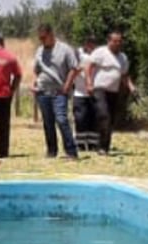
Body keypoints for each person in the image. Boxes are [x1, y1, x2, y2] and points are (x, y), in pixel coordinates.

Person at [85, 30, 136, 156]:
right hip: (99, 89)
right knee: (104, 115)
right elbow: (88, 67)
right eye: (114, 41)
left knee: (110, 120)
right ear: (109, 41)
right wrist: (89, 83)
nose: (117, 44)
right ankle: (101, 147)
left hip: (113, 92)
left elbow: (124, 75)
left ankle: (104, 146)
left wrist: (131, 87)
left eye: (119, 41)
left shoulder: (123, 57)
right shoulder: (100, 52)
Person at [33, 24, 78, 159]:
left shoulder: (65, 49)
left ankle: (71, 151)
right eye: (40, 38)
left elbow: (74, 68)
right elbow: (36, 69)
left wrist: (67, 85)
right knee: (48, 122)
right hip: (43, 92)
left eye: (44, 38)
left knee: (62, 120)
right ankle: (52, 151)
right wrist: (36, 83)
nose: (42, 41)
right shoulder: (39, 51)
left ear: (51, 35)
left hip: (59, 92)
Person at [73, 35, 98, 151]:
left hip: (94, 92)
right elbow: (72, 69)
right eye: (90, 43)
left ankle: (93, 144)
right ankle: (80, 143)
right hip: (79, 92)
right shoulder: (78, 54)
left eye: (94, 43)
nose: (92, 46)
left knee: (93, 119)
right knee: (80, 119)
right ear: (86, 43)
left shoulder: (98, 55)